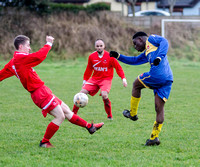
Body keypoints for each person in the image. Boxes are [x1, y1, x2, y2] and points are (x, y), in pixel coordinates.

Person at [0, 35, 104, 148]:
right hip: (39, 93)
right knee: (60, 117)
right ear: (21, 46)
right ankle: (44, 142)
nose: (29, 48)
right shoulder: (20, 58)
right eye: (28, 45)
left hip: (42, 90)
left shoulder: (13, 62)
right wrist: (48, 43)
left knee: (67, 111)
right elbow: (39, 56)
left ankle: (90, 127)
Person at [109, 32, 173, 146]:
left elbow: (165, 41)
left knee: (136, 84)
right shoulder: (147, 52)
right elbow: (134, 60)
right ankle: (154, 138)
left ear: (140, 39)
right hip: (168, 79)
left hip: (158, 75)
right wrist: (118, 56)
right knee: (159, 108)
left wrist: (159, 56)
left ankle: (133, 114)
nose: (135, 46)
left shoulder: (152, 39)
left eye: (135, 43)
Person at [72, 39, 127, 120]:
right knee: (81, 94)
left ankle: (109, 116)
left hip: (106, 79)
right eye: (97, 46)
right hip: (94, 79)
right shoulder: (91, 56)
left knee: (104, 96)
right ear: (95, 47)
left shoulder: (110, 56)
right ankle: (73, 114)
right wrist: (85, 80)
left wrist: (123, 78)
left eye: (101, 46)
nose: (99, 47)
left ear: (104, 46)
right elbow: (89, 69)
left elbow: (118, 68)